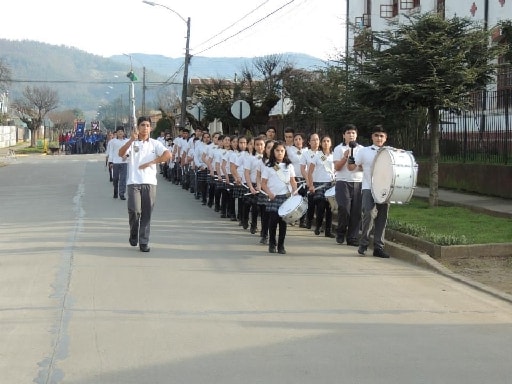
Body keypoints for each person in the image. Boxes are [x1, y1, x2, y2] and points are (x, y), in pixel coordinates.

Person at [118, 116, 171, 253]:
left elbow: (167, 155)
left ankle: (144, 241)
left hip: (149, 182)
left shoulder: (155, 144)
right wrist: (131, 140)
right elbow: (121, 153)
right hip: (134, 182)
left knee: (147, 213)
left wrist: (152, 162)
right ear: (138, 127)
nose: (145, 128)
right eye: (142, 125)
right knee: (135, 211)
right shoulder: (133, 143)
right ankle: (134, 233)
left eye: (147, 125)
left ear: (151, 128)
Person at [348, 125, 390, 258]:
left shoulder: (389, 152)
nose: (379, 138)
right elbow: (352, 167)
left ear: (385, 138)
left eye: (382, 136)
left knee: (382, 217)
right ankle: (364, 243)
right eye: (376, 135)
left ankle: (378, 247)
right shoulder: (364, 151)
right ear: (372, 137)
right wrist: (350, 160)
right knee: (369, 214)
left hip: (384, 189)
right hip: (368, 187)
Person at [261, 141, 298, 254]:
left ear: (285, 152)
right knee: (273, 222)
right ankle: (272, 243)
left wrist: (295, 193)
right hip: (273, 197)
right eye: (277, 151)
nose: (280, 153)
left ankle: (281, 245)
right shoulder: (269, 166)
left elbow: (293, 181)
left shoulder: (289, 165)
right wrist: (269, 193)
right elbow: (263, 183)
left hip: (285, 197)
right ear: (273, 152)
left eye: (282, 151)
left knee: (283, 223)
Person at [333, 124, 363, 246]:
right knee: (344, 208)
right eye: (348, 133)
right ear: (343, 135)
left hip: (358, 182)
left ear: (356, 135)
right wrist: (345, 157)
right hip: (342, 181)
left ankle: (352, 237)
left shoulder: (362, 149)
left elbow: (365, 166)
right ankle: (340, 232)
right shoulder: (338, 149)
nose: (351, 135)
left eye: (353, 133)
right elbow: (337, 167)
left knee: (356, 211)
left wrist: (356, 165)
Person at [307, 134, 335, 238]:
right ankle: (318, 226)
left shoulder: (334, 156)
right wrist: (311, 185)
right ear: (321, 143)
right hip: (318, 184)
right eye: (324, 141)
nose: (326, 143)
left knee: (330, 208)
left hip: (331, 184)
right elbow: (310, 172)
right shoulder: (317, 156)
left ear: (331, 143)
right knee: (321, 206)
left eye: (328, 141)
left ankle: (328, 230)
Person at [107, 126, 130, 200]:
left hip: (124, 162)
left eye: (121, 131)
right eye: (119, 131)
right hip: (115, 162)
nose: (120, 133)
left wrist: (127, 155)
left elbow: (130, 150)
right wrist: (110, 162)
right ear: (116, 133)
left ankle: (122, 193)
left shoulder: (127, 141)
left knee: (123, 179)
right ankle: (115, 191)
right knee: (115, 178)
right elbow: (111, 152)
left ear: (124, 133)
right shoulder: (113, 142)